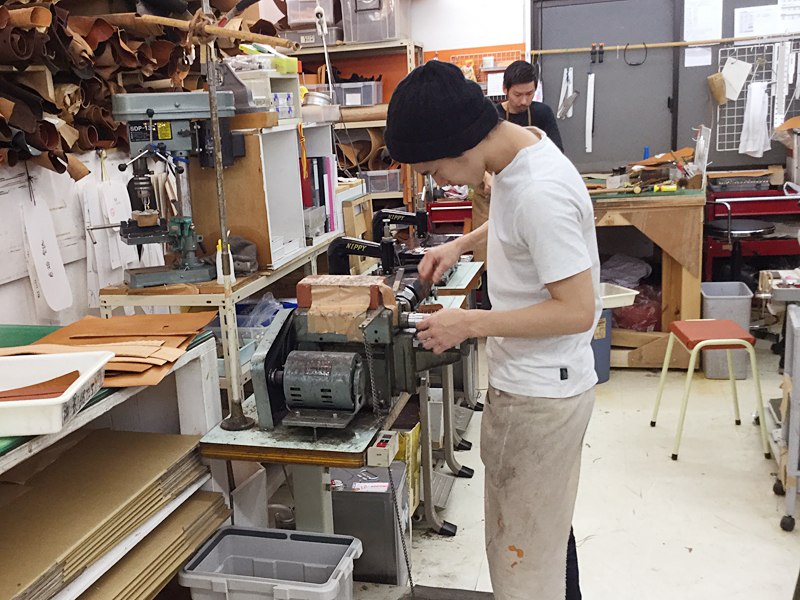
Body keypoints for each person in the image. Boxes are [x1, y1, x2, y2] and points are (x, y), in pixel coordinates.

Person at [384, 60, 600, 600]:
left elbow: (578, 310)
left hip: (539, 398)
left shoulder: (539, 192)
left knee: (524, 567)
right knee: (546, 537)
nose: (437, 181)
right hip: (538, 384)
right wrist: (460, 244)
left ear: (460, 142)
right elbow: (513, 223)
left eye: (434, 168)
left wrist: (469, 323)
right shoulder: (519, 154)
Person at [496, 60, 564, 153]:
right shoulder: (493, 116)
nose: (524, 101)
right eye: (517, 95)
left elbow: (557, 151)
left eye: (529, 94)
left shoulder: (543, 112)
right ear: (504, 89)